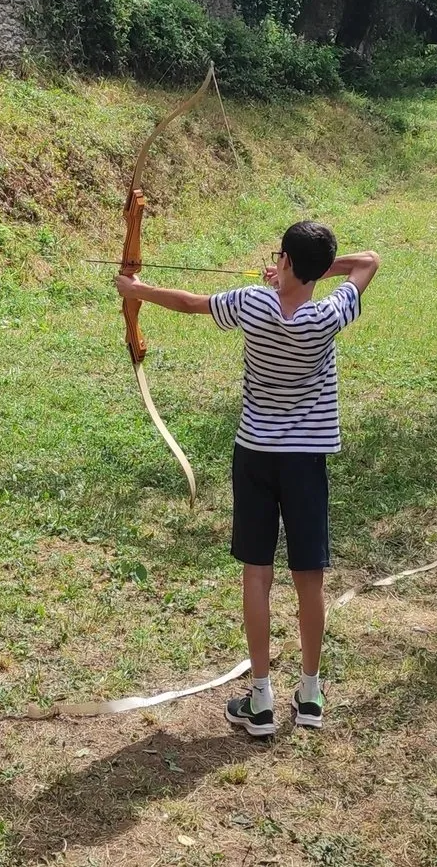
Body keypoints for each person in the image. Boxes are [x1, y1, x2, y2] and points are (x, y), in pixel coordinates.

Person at [116, 222, 380, 736]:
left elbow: (191, 303)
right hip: (306, 460)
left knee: (257, 571)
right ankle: (310, 693)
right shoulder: (329, 313)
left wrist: (138, 290)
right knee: (309, 577)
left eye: (281, 256)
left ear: (285, 262)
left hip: (256, 454)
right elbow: (368, 260)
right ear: (320, 271)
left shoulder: (252, 305)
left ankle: (260, 698)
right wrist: (303, 272)